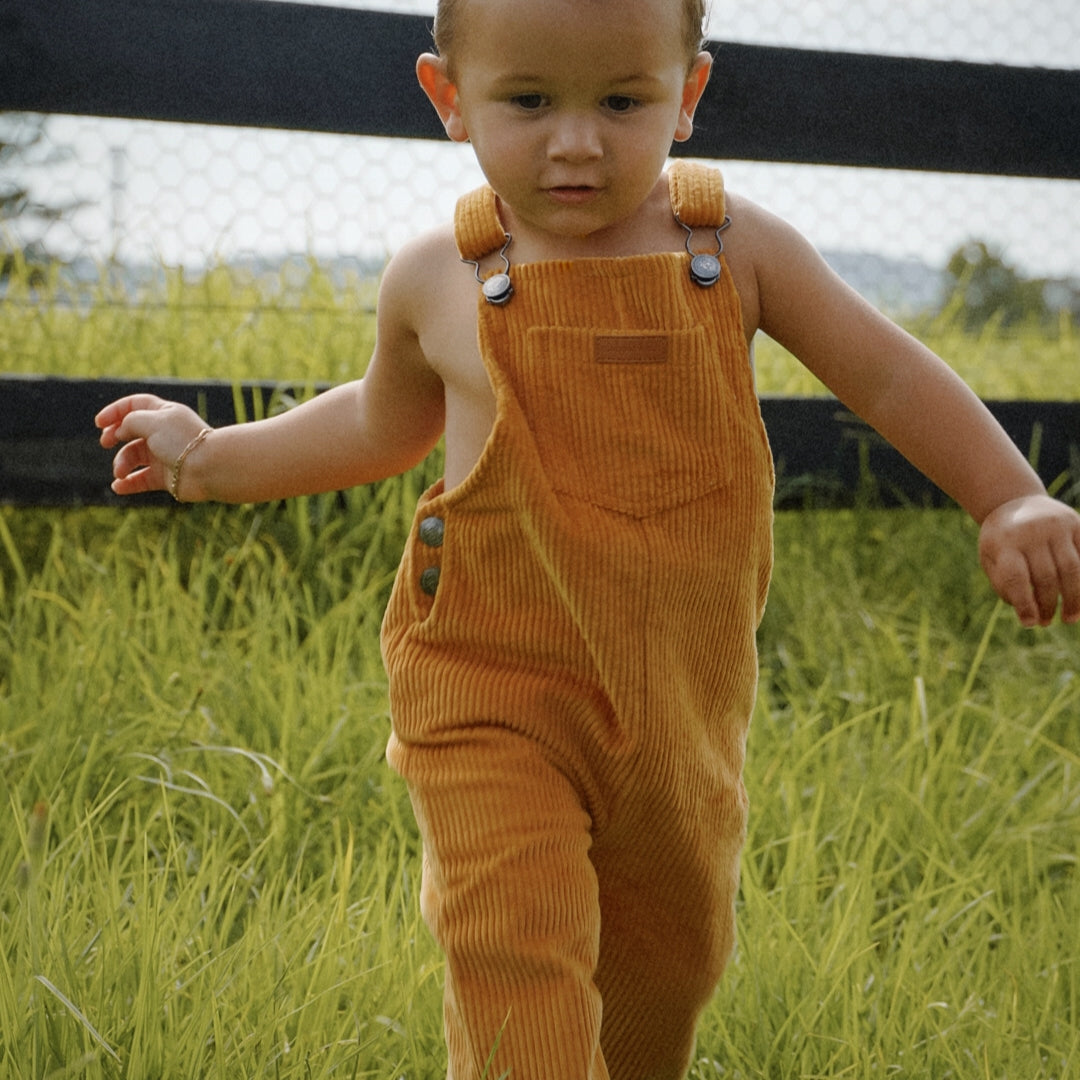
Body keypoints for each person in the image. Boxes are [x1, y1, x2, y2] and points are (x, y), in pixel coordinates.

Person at [95, 0, 1080, 1076]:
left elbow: (886, 371)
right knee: (514, 943)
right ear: (449, 99)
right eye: (529, 101)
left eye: (622, 100)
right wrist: (206, 457)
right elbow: (377, 424)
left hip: (676, 699)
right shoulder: (439, 275)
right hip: (487, 686)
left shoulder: (733, 247)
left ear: (688, 94)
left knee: (666, 969)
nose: (577, 141)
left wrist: (1008, 497)